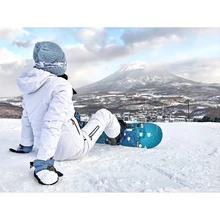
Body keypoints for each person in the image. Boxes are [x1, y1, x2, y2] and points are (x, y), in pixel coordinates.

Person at [9, 41, 126, 185]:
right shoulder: (60, 85)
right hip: (71, 149)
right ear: (58, 63)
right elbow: (52, 123)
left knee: (72, 116)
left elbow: (26, 120)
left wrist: (26, 145)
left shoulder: (29, 89)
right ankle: (117, 135)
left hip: (44, 147)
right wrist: (44, 163)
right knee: (104, 114)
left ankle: (77, 126)